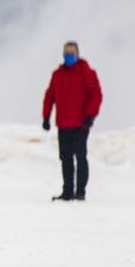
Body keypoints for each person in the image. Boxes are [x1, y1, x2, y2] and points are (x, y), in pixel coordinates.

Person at [42, 40, 102, 200]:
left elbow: (96, 95)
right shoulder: (58, 75)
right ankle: (67, 191)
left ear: (77, 54)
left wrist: (90, 116)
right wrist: (45, 117)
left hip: (80, 124)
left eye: (71, 53)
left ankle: (80, 192)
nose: (68, 56)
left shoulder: (87, 73)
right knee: (65, 158)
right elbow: (50, 96)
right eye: (66, 53)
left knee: (80, 157)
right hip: (63, 124)